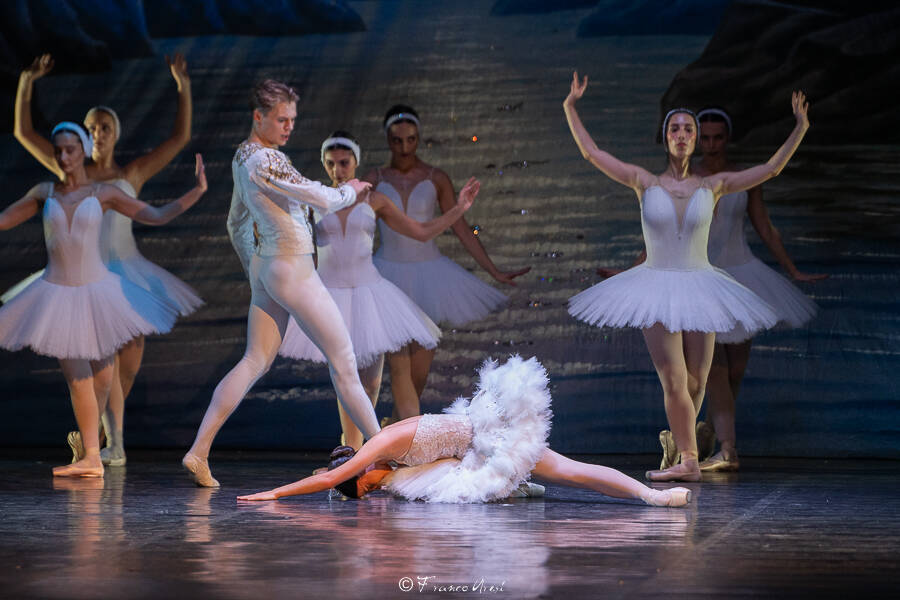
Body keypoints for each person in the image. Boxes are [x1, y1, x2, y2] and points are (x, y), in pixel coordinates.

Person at [563, 71, 810, 481]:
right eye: (675, 128)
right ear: (666, 138)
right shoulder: (643, 181)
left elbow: (771, 168)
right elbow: (592, 153)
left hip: (701, 284)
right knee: (674, 378)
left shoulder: (714, 185)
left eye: (688, 129)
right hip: (656, 283)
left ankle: (680, 448)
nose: (682, 134)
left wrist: (800, 126)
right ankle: (691, 463)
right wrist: (570, 106)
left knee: (696, 383)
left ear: (695, 140)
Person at [182, 80, 381, 487]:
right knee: (344, 362)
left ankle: (199, 451)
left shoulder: (243, 156)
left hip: (269, 267)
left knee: (254, 360)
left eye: (292, 119)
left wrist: (254, 270)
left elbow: (235, 221)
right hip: (291, 268)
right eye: (281, 119)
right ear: (259, 117)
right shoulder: (266, 161)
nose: (289, 127)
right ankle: (383, 455)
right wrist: (351, 190)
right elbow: (319, 197)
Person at [11, 53, 200, 467]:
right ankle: (105, 445)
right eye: (92, 128)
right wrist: (27, 81)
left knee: (124, 370)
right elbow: (23, 132)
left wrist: (182, 86)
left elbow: (178, 139)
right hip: (83, 276)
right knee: (96, 366)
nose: (99, 133)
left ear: (116, 132)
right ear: (83, 137)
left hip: (125, 270)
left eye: (105, 127)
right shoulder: (68, 171)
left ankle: (102, 437)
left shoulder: (129, 175)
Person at [237, 355, 692, 507]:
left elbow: (324, 480)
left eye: (365, 486)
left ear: (360, 473)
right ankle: (522, 488)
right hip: (474, 446)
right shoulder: (392, 468)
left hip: (487, 431)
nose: (374, 489)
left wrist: (272, 494)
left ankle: (653, 498)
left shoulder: (378, 447)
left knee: (569, 471)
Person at [279, 131, 480, 449]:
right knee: (344, 375)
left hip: (368, 293)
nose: (338, 170)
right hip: (328, 295)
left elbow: (421, 231)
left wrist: (458, 209)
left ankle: (356, 452)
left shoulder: (375, 200)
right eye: (330, 164)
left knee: (370, 380)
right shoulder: (315, 201)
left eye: (344, 163)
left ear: (356, 162)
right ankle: (352, 452)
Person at [362, 105, 530, 421]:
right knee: (398, 364)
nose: (404, 147)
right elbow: (355, 225)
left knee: (419, 373)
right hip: (387, 276)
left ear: (418, 138)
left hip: (429, 276)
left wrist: (493, 270)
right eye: (397, 140)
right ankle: (407, 440)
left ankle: (395, 429)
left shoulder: (435, 177)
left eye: (410, 139)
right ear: (387, 139)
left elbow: (461, 228)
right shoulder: (373, 178)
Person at [694, 107, 827, 471]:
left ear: (728, 138)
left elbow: (765, 227)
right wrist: (637, 268)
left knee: (734, 370)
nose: (711, 145)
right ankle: (727, 449)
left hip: (742, 275)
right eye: (704, 138)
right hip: (703, 279)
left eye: (717, 137)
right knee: (716, 370)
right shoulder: (687, 178)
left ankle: (711, 431)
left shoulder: (744, 176)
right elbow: (663, 232)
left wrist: (792, 270)